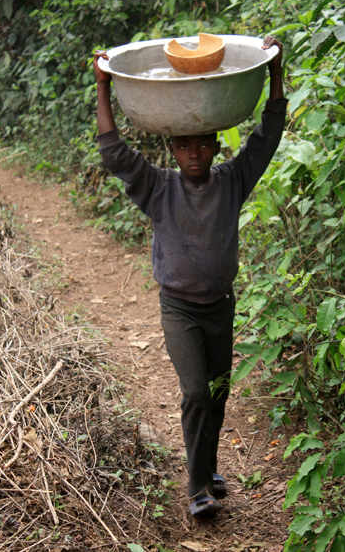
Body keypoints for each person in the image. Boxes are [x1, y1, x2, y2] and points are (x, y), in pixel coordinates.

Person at [93, 35, 286, 518]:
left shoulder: (232, 181)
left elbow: (269, 135)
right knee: (196, 393)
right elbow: (116, 154)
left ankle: (209, 468)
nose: (194, 153)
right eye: (184, 145)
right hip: (178, 308)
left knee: (217, 393)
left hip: (221, 306)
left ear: (216, 144)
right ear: (172, 149)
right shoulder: (159, 188)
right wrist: (102, 87)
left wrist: (276, 71)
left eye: (203, 144)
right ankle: (197, 487)